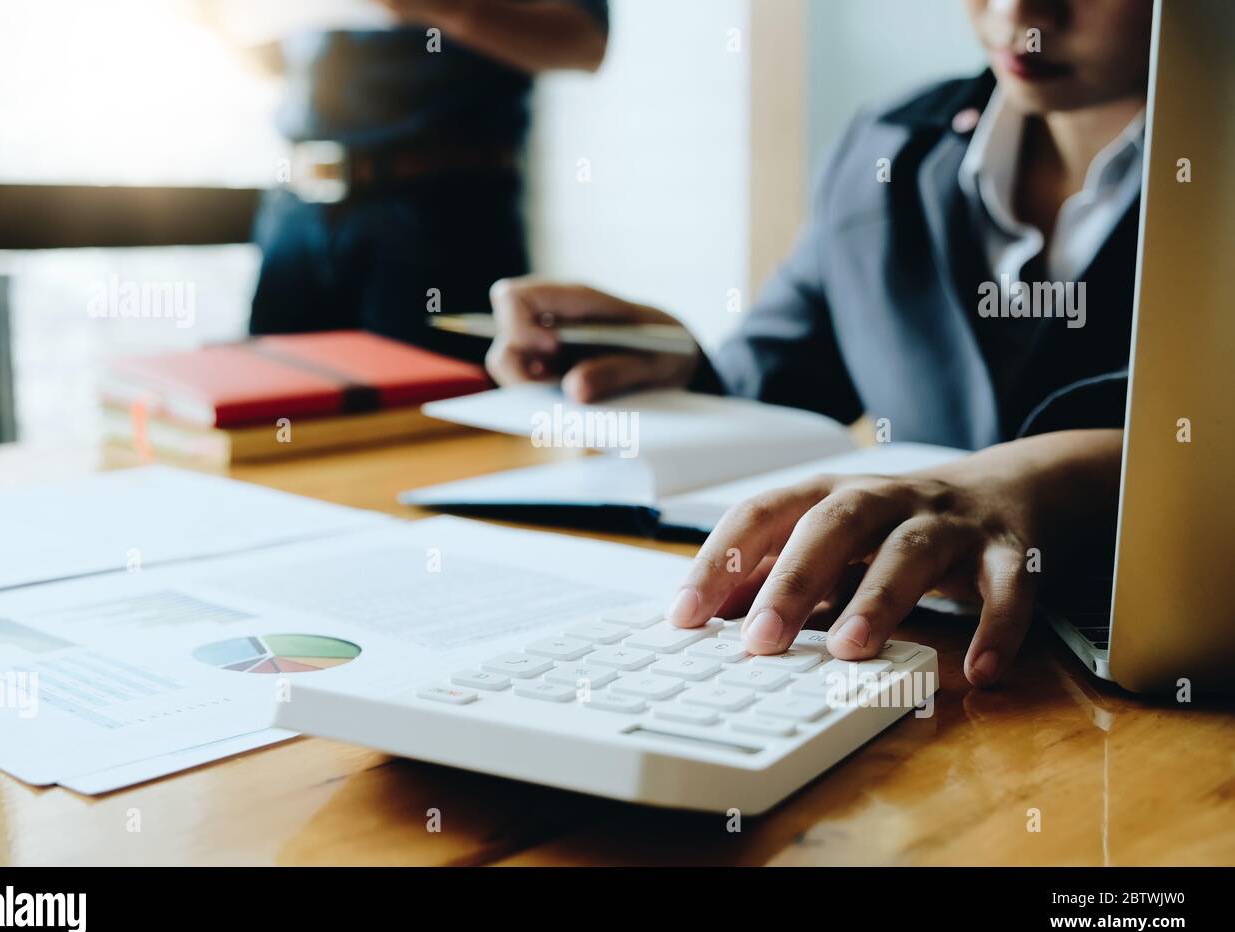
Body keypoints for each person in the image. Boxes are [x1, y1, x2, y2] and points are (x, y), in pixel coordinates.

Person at [484, 0, 1153, 686]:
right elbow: (781, 379)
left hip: (1126, 687)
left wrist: (1024, 482)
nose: (1019, 9)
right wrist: (679, 364)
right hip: (902, 663)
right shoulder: (888, 141)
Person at [237, 0, 610, 363]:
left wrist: (445, 7)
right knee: (273, 405)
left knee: (441, 411)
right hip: (296, 206)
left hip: (436, 212)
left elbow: (586, 42)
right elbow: (274, 57)